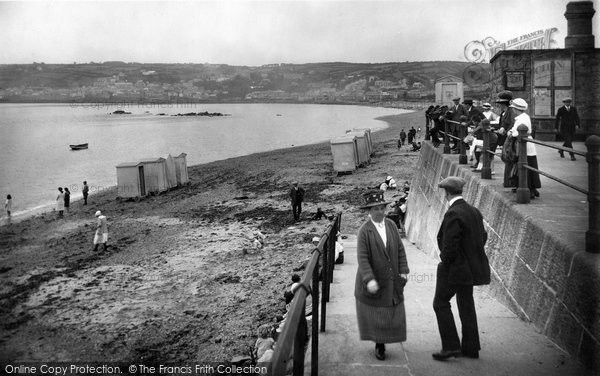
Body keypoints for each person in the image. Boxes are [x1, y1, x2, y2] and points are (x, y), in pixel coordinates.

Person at [432, 176, 490, 361]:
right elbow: (483, 237)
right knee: (466, 305)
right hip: (471, 269)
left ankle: (450, 347)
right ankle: (471, 348)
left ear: (447, 193)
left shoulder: (453, 213)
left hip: (455, 269)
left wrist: (445, 261)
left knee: (440, 303)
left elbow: (450, 245)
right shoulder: (474, 211)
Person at [354, 190, 409, 361]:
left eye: (381, 208)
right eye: (375, 209)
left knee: (392, 311)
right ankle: (379, 344)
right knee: (376, 314)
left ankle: (386, 338)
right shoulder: (364, 231)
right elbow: (362, 258)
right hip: (374, 279)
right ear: (368, 212)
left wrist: (404, 269)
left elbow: (400, 248)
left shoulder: (391, 225)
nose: (379, 211)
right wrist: (369, 279)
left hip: (391, 279)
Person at [507, 98, 541, 199]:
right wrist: (511, 131)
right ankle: (530, 187)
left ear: (516, 109)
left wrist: (512, 133)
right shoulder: (521, 117)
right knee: (526, 165)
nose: (513, 110)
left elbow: (522, 130)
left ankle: (530, 188)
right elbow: (515, 128)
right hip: (522, 144)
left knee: (527, 164)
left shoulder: (523, 118)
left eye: (513, 108)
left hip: (525, 144)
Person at [494, 91, 517, 188]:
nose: (500, 106)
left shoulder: (511, 111)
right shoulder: (505, 111)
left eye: (501, 104)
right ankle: (508, 181)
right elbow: (504, 122)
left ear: (505, 103)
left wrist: (506, 130)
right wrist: (502, 128)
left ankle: (510, 182)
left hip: (512, 140)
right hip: (506, 139)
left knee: (510, 160)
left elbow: (512, 124)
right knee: (508, 160)